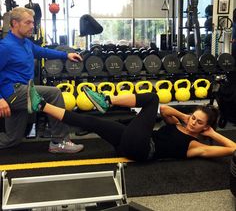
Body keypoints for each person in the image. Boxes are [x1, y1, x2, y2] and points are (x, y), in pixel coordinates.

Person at [27, 80, 236, 161]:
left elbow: (232, 148)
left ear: (206, 127)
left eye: (198, 123)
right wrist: (186, 116)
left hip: (142, 149)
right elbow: (165, 110)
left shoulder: (196, 146)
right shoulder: (178, 123)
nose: (192, 123)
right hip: (129, 143)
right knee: (90, 121)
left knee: (152, 98)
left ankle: (108, 101)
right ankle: (42, 106)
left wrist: (212, 133)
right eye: (193, 118)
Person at [0, 7, 84, 153]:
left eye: (33, 23)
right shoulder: (5, 47)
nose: (33, 26)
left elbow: (43, 51)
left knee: (12, 140)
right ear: (14, 23)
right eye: (28, 22)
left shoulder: (25, 43)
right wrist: (0, 99)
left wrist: (66, 55)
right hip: (14, 92)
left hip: (23, 93)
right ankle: (59, 141)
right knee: (54, 93)